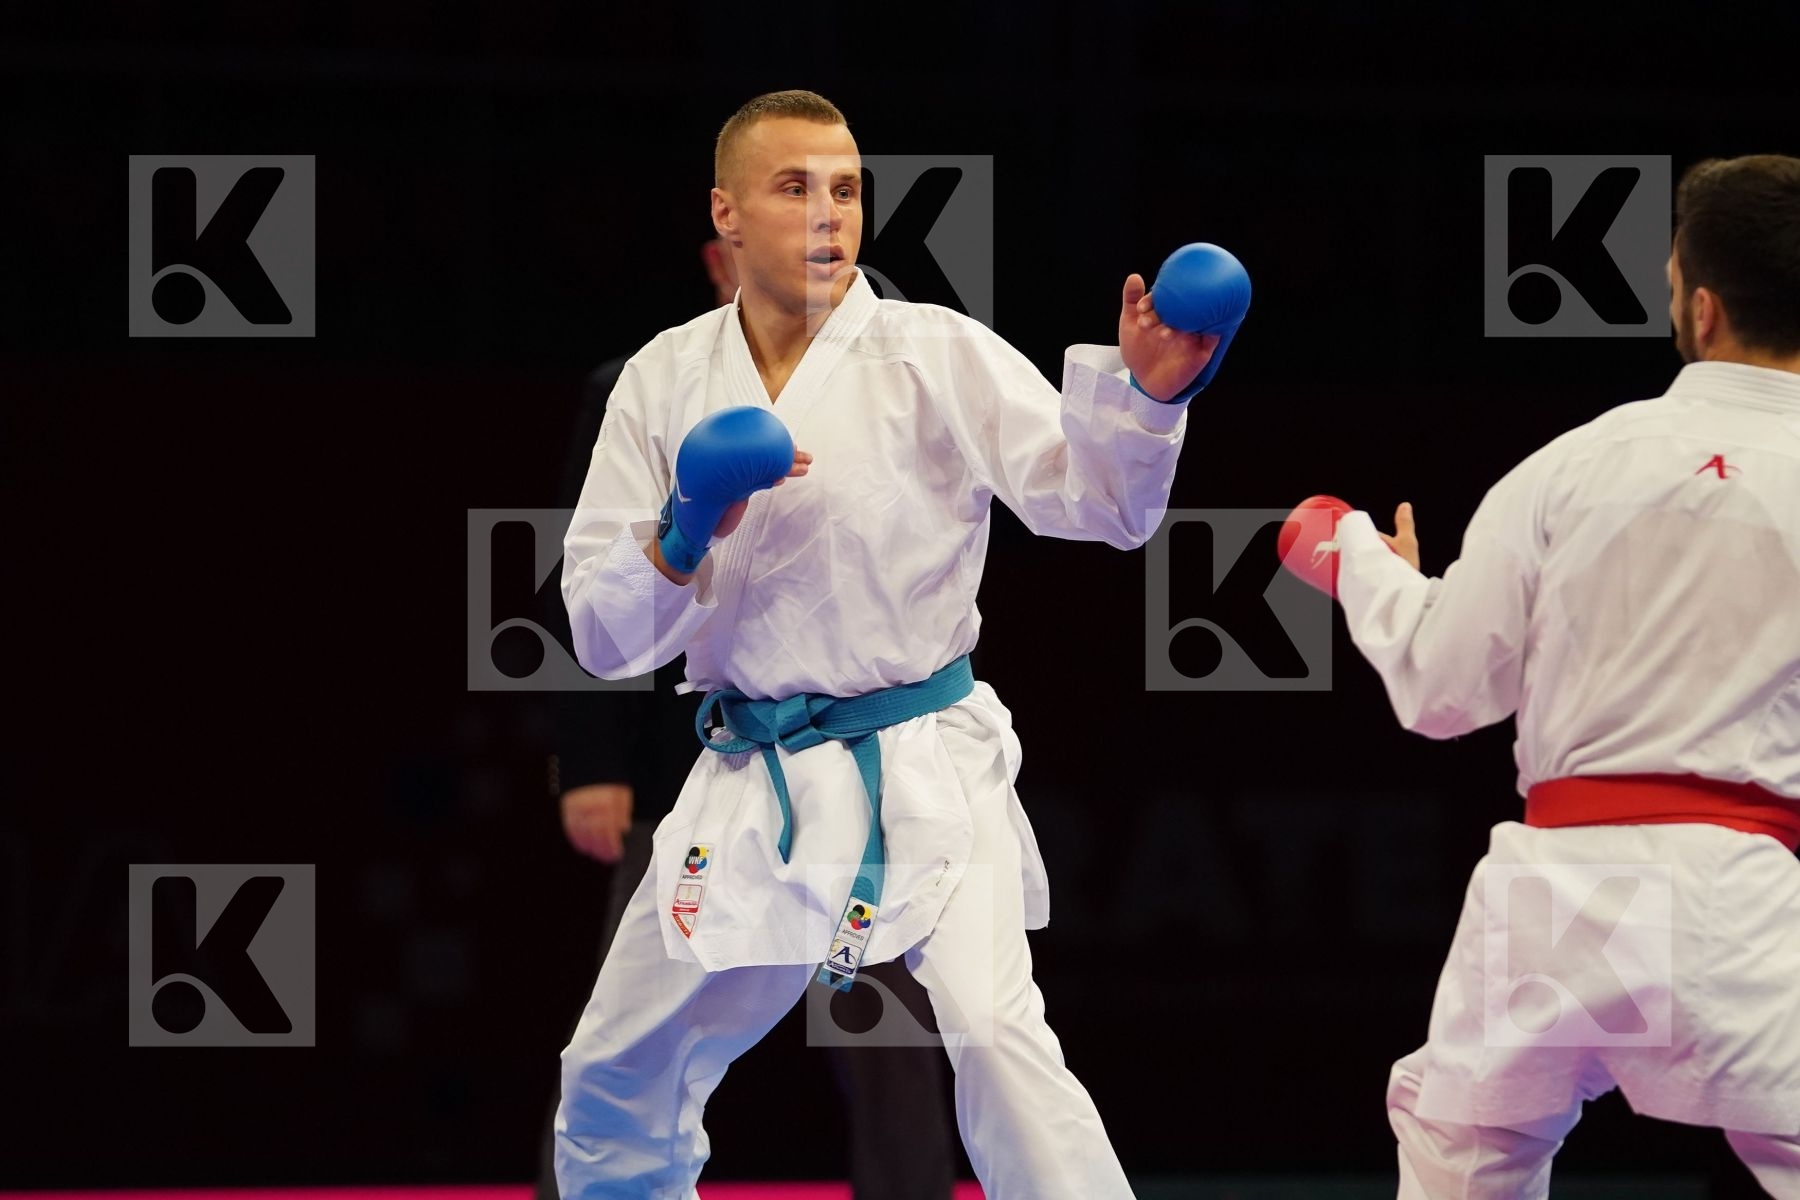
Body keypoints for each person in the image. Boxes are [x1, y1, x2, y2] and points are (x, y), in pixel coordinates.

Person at [555, 89, 1222, 1199]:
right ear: (725, 214)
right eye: (795, 187)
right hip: (747, 776)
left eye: (848, 189)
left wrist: (1148, 401)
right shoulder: (661, 381)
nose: (830, 214)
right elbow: (601, 632)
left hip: (919, 761)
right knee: (617, 1069)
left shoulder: (930, 352)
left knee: (998, 1041)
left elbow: (1095, 503)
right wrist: (681, 534)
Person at [1326, 154, 1800, 1197]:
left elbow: (1442, 689)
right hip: (1743, 902)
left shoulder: (1572, 464)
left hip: (1554, 901)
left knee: (1464, 1158)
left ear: (1703, 306)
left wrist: (1353, 562)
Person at [537, 237, 958, 1200]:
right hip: (693, 766)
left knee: (886, 1025)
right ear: (717, 255)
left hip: (867, 762)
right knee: (629, 1035)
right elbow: (591, 584)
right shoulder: (645, 384)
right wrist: (591, 758)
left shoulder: (888, 377)